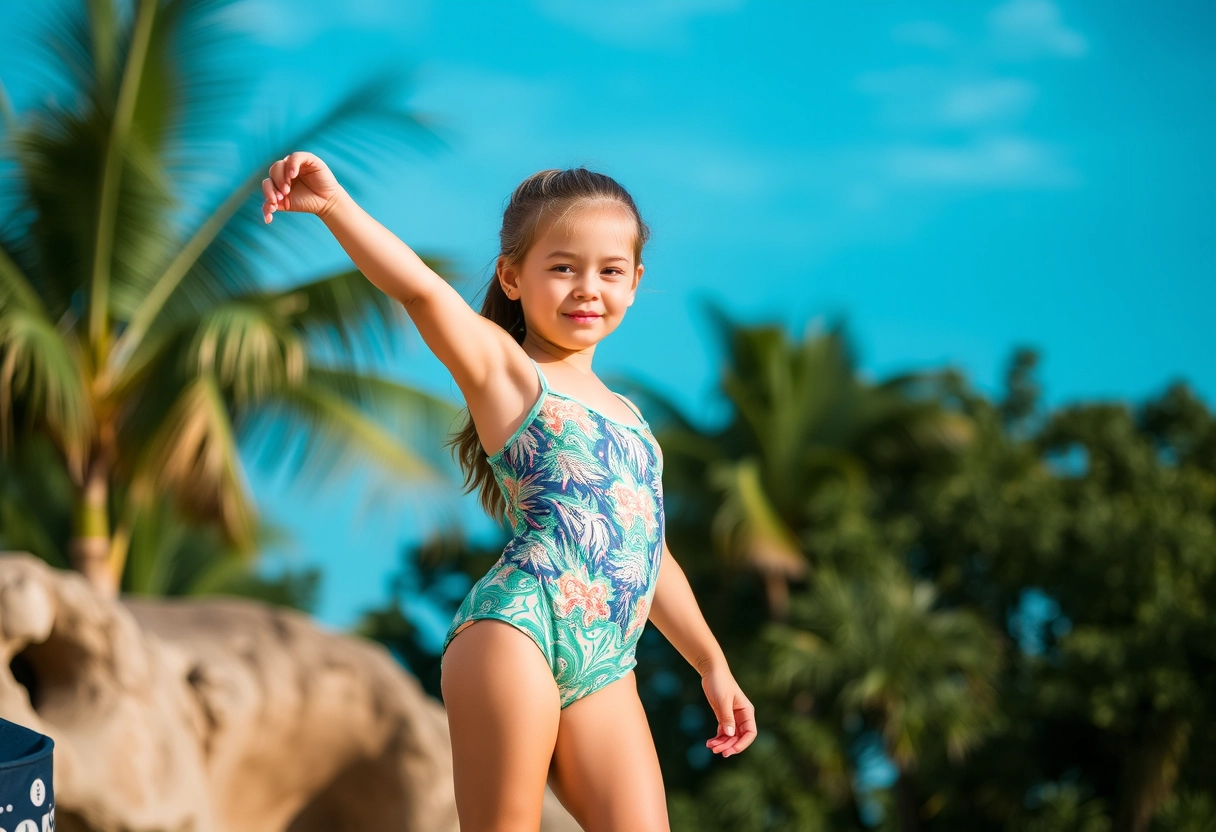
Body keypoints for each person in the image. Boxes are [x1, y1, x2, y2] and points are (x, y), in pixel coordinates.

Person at [261, 154, 756, 832]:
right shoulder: (509, 372)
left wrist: (710, 662)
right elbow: (422, 294)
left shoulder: (634, 422)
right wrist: (333, 207)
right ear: (512, 276)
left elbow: (649, 551)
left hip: (608, 665)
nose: (588, 288)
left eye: (610, 271)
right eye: (563, 267)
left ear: (636, 282)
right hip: (518, 630)